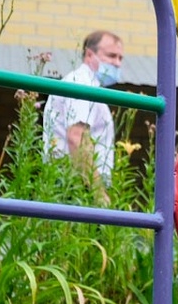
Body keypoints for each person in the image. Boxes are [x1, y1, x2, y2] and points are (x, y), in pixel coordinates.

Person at [43, 30, 123, 195]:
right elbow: (77, 138)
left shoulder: (88, 84)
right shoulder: (81, 82)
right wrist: (98, 194)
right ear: (89, 55)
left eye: (120, 58)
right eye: (111, 56)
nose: (117, 63)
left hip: (75, 183)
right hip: (74, 187)